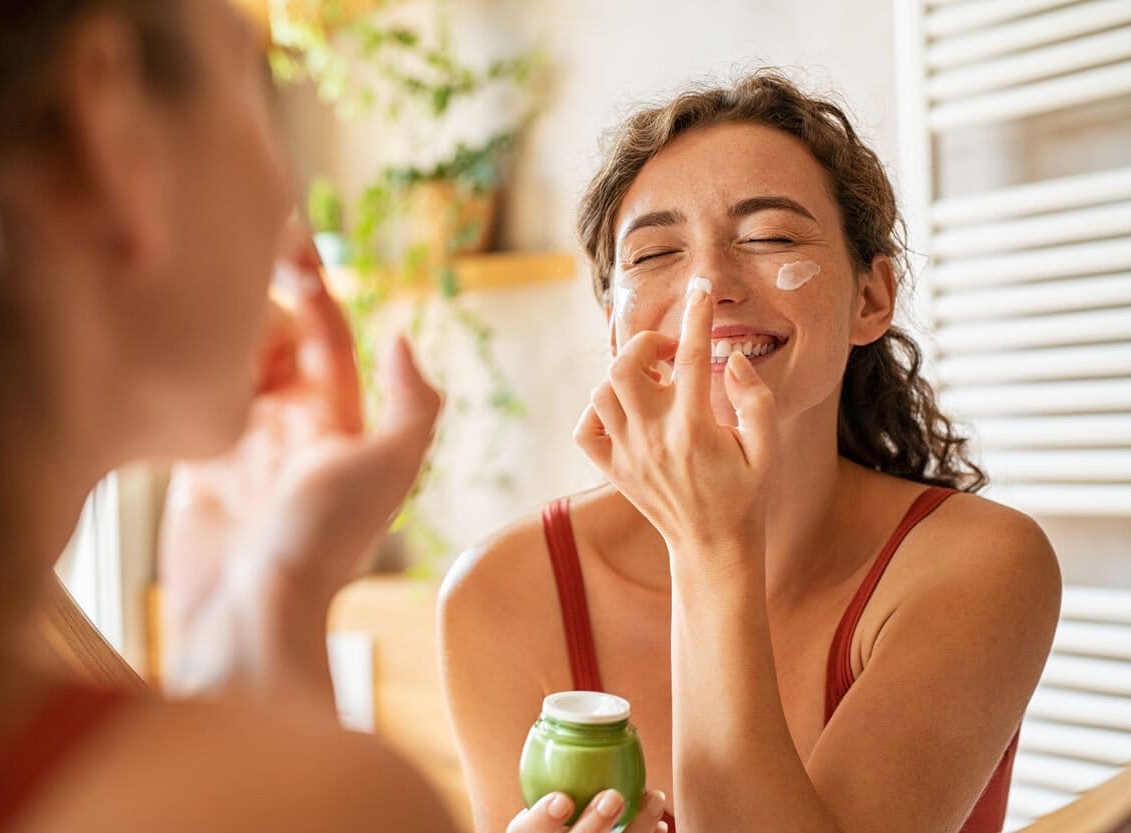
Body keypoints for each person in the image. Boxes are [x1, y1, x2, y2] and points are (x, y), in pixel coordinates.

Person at [0, 1, 457, 831]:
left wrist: (264, 601)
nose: (288, 196)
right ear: (110, 131)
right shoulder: (337, 804)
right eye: (248, 78)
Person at [439, 72, 1062, 833]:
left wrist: (710, 541)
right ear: (613, 325)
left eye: (770, 238)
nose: (707, 286)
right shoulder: (503, 592)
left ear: (871, 298)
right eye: (655, 253)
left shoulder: (979, 565)